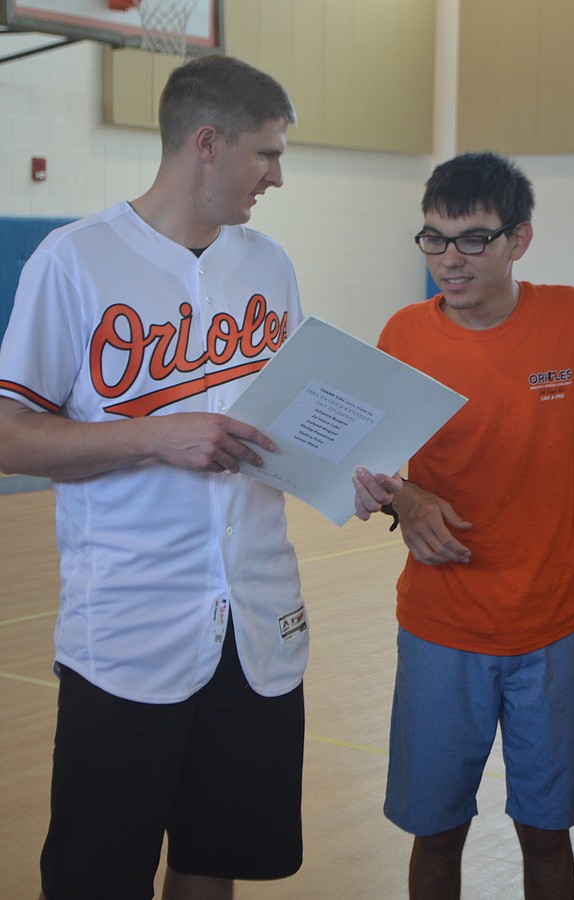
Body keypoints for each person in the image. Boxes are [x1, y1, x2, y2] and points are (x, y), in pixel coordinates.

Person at [0, 55, 309, 900]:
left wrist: (351, 463)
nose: (278, 175)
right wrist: (155, 437)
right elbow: (7, 435)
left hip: (255, 629)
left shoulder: (269, 266)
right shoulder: (74, 261)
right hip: (129, 634)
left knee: (212, 859)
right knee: (100, 877)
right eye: (267, 153)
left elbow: (291, 420)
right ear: (207, 143)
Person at [353, 151, 574, 900]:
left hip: (553, 622)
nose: (448, 260)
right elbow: (372, 471)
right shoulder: (403, 334)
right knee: (436, 835)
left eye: (471, 240)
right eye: (433, 239)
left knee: (548, 831)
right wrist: (400, 499)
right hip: (440, 624)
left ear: (519, 239)